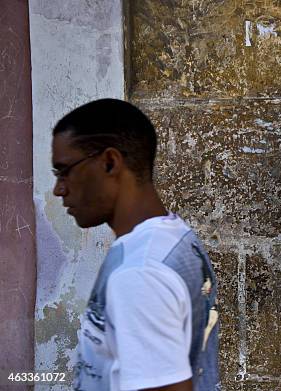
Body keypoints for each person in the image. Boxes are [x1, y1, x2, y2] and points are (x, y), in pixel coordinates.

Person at [51, 99, 220, 391]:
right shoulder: (173, 237)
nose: (59, 189)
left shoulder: (140, 273)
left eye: (65, 171)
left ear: (110, 163)